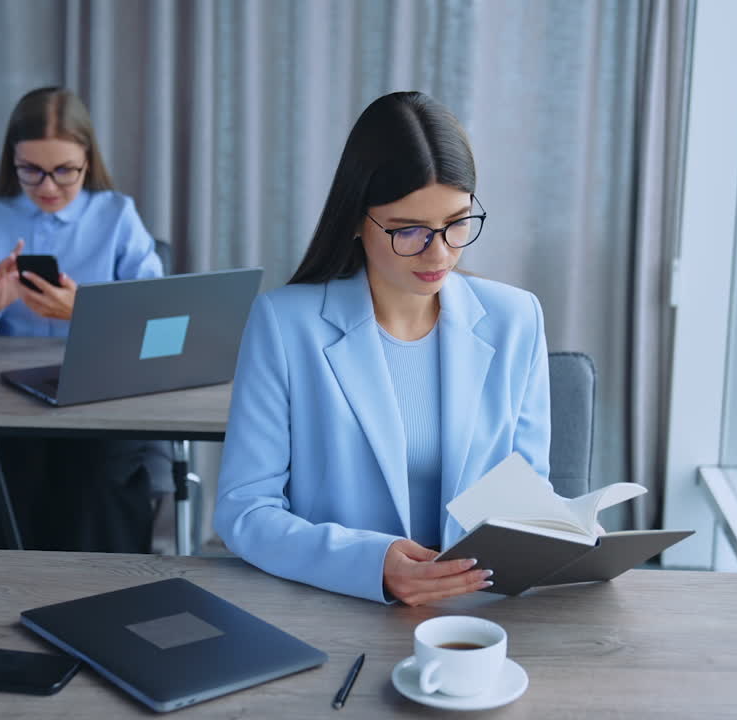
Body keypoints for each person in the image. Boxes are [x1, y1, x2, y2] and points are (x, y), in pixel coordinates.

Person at [214, 91, 551, 605]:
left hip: (480, 610)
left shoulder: (515, 318)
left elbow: (528, 491)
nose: (438, 253)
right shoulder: (285, 325)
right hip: (336, 603)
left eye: (457, 223)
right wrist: (370, 564)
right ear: (355, 219)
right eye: (407, 230)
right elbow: (245, 510)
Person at [0, 86, 168, 553]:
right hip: (3, 395)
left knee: (100, 475)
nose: (47, 187)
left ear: (88, 160)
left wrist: (82, 311)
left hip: (103, 393)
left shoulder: (117, 214)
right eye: (31, 170)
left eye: (64, 171)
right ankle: (7, 598)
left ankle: (104, 600)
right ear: (12, 161)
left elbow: (161, 323)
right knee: (4, 469)